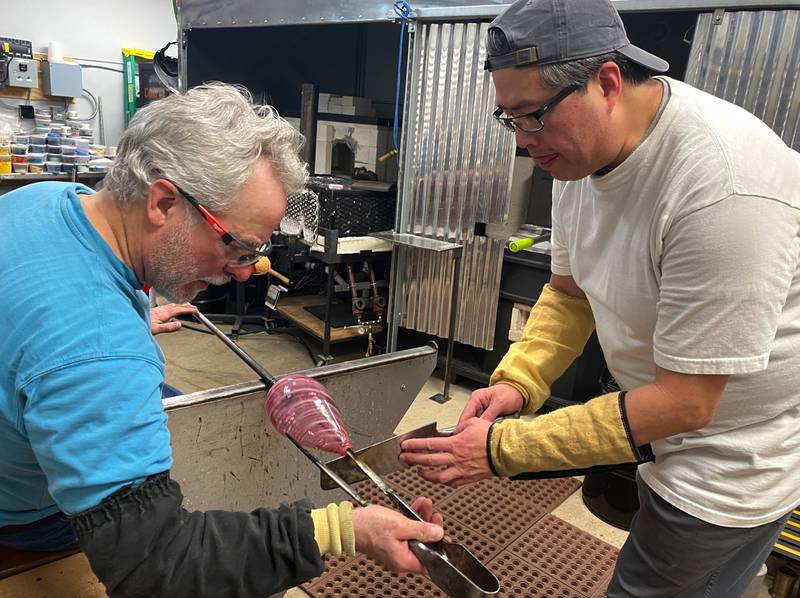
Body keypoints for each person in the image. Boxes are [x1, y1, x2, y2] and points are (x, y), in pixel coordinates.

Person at [400, 1, 800, 596]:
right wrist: (518, 381)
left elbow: (687, 404)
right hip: (657, 431)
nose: (524, 141)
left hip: (725, 461)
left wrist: (507, 448)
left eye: (531, 116)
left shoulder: (721, 188)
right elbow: (569, 293)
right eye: (509, 119)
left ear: (607, 82)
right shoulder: (576, 160)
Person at [0, 82, 443, 597]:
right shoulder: (98, 351)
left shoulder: (48, 200)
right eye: (237, 246)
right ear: (164, 202)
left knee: (182, 409)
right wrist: (344, 530)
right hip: (27, 519)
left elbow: (43, 319)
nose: (242, 273)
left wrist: (132, 314)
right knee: (215, 492)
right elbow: (157, 568)